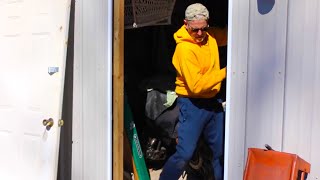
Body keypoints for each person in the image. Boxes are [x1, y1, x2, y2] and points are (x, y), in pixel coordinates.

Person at [159, 3, 226, 180]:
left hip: (213, 102)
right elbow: (196, 86)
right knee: (185, 152)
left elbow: (230, 35)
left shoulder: (209, 36)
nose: (199, 34)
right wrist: (226, 72)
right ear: (185, 24)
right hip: (192, 104)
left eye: (203, 29)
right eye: (195, 30)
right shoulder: (184, 49)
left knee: (218, 152)